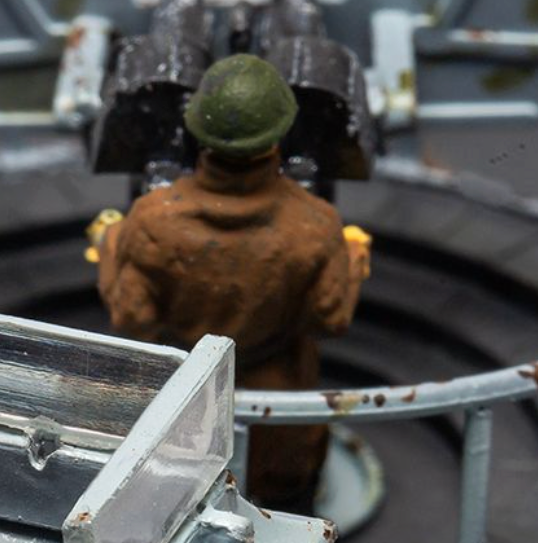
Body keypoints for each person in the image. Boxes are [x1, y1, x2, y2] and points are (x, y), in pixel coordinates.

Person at [94, 54, 370, 513]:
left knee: (173, 512)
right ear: (278, 135)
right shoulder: (317, 224)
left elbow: (131, 319)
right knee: (289, 515)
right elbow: (331, 319)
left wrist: (110, 243)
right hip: (277, 414)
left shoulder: (151, 220)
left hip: (183, 406)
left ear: (197, 131)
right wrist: (354, 256)